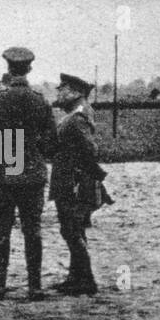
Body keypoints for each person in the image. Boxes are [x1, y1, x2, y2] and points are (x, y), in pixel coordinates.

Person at [0, 46, 57, 300]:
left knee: (1, 231)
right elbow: (50, 143)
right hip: (32, 175)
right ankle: (35, 286)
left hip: (1, 175)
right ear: (29, 69)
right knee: (32, 230)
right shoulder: (40, 101)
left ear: (8, 69)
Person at [50, 73, 107, 295]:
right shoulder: (75, 114)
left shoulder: (78, 117)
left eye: (62, 89)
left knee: (71, 230)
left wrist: (90, 173)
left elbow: (88, 149)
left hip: (73, 181)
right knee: (73, 230)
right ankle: (76, 277)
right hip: (72, 179)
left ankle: (86, 279)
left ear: (75, 92)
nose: (58, 93)